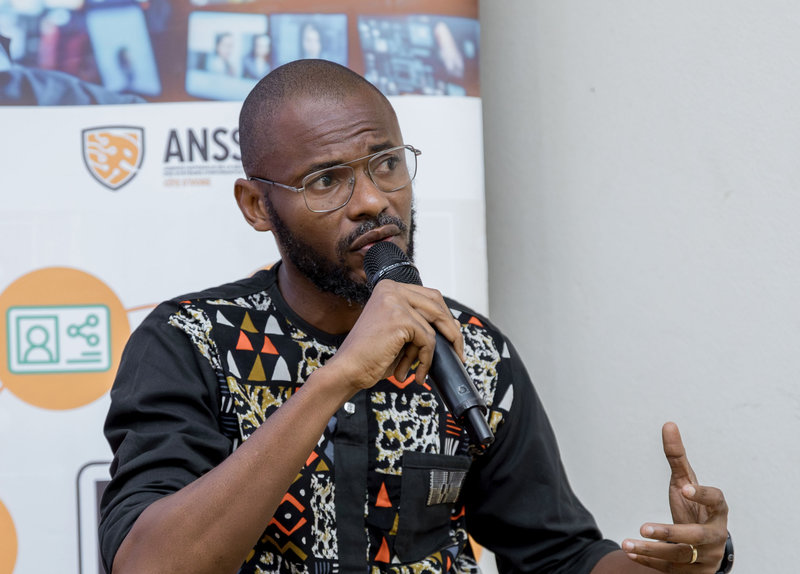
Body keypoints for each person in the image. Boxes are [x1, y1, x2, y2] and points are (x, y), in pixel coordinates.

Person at [99, 59, 731, 574]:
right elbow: (148, 565)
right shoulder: (191, 343)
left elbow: (557, 556)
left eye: (387, 164)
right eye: (326, 181)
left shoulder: (472, 350)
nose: (373, 201)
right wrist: (338, 376)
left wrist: (680, 568)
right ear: (256, 205)